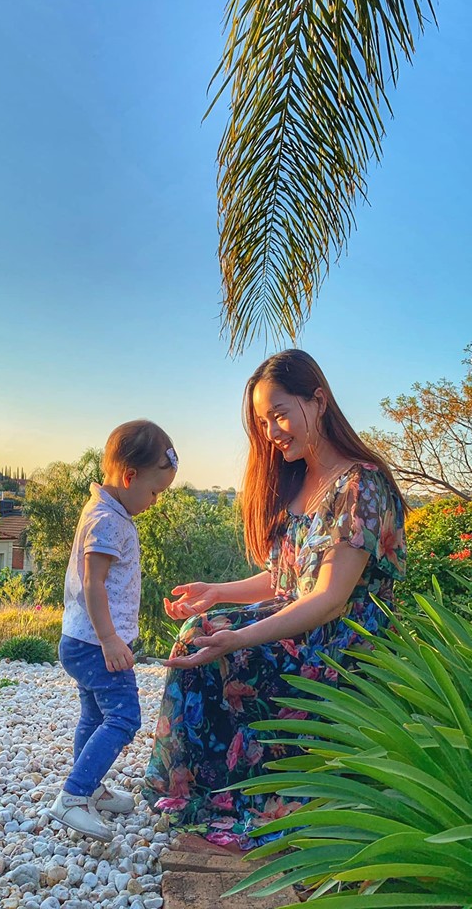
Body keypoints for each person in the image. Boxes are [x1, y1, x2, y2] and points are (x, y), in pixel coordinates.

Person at [143, 349, 407, 850]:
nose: (270, 432)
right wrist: (217, 593)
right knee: (201, 630)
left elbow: (328, 598)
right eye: (263, 422)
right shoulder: (299, 479)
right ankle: (201, 790)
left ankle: (241, 797)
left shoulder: (361, 485)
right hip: (305, 625)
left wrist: (241, 636)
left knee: (221, 643)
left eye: (279, 415)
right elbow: (285, 578)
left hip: (343, 648)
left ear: (319, 401)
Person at [50, 419, 178, 842]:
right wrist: (109, 639)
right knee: (123, 718)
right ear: (129, 477)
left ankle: (89, 789)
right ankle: (73, 796)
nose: (156, 501)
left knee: (94, 715)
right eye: (155, 492)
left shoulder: (104, 510)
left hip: (81, 640)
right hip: (96, 643)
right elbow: (94, 583)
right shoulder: (108, 520)